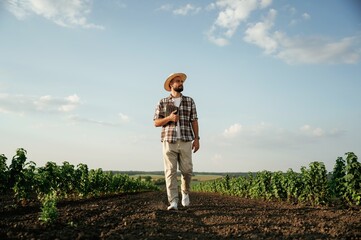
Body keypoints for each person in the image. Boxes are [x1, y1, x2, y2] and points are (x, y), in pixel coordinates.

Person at [153, 72, 200, 210]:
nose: (181, 83)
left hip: (185, 139)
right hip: (169, 140)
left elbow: (195, 121)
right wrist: (169, 119)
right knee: (170, 171)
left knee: (187, 170)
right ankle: (173, 201)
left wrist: (196, 139)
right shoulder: (162, 102)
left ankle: (185, 192)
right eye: (178, 81)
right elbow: (156, 122)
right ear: (171, 84)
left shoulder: (190, 101)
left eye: (181, 81)